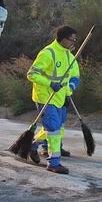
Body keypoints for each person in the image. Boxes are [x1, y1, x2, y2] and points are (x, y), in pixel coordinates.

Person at [26, 25, 81, 174]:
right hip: (45, 97)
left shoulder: (69, 56)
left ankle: (33, 144)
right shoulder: (48, 53)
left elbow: (75, 76)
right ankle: (53, 163)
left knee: (56, 128)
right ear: (63, 39)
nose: (74, 43)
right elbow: (31, 74)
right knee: (54, 129)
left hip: (61, 98)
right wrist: (50, 83)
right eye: (72, 40)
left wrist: (71, 87)